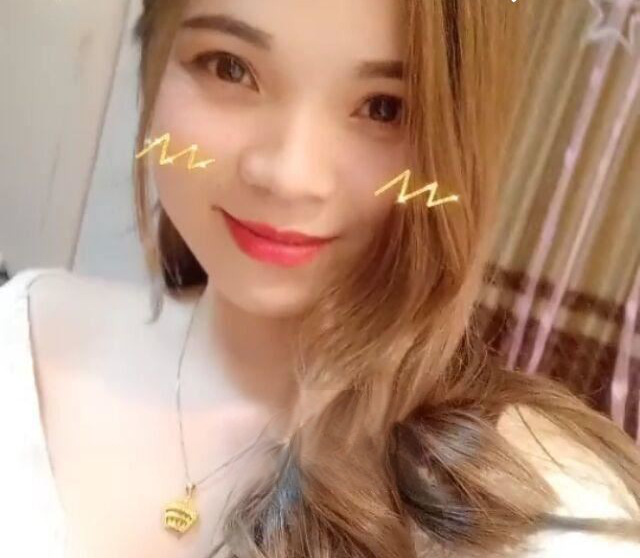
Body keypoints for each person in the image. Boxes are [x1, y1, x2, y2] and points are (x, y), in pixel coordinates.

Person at [1, 0, 639, 556]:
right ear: (153, 60)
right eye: (229, 67)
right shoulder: (23, 327)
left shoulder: (540, 502)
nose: (289, 175)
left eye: (384, 108)